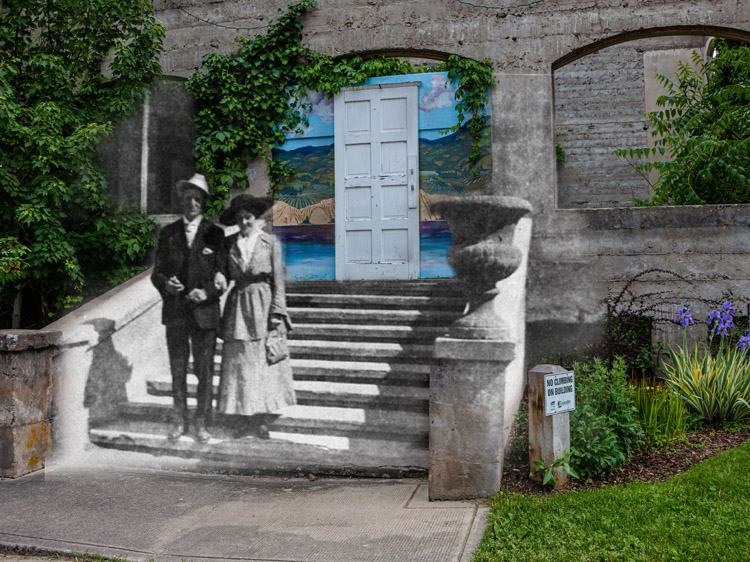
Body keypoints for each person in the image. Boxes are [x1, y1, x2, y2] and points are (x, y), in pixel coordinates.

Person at [151, 173, 226, 443]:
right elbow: (156, 273)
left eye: (197, 199)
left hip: (205, 315)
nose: (192, 203)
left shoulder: (215, 234)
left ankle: (202, 424)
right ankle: (179, 421)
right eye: (188, 198)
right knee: (178, 370)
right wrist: (166, 285)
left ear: (203, 202)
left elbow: (223, 274)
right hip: (176, 313)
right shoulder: (168, 233)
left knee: (205, 370)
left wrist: (206, 291)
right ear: (181, 201)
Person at [217, 193, 295, 439]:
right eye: (240, 219)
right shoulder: (230, 244)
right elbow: (223, 273)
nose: (245, 223)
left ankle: (261, 418)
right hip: (238, 304)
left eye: (248, 217)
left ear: (255, 218)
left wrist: (277, 312)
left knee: (262, 363)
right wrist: (218, 277)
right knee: (240, 362)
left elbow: (278, 282)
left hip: (263, 303)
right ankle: (242, 416)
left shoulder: (270, 242)